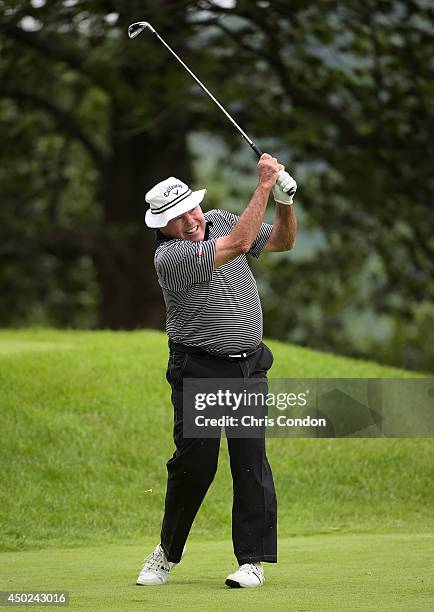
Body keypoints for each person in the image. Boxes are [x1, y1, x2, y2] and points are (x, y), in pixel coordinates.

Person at [136, 153, 297, 588]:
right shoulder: (169, 258)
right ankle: (168, 551)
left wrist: (284, 199)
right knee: (196, 464)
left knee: (250, 462)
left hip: (247, 366)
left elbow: (281, 241)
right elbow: (241, 245)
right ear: (161, 227)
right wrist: (264, 185)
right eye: (175, 218)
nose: (189, 221)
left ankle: (252, 561)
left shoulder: (225, 219)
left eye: (190, 209)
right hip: (200, 369)